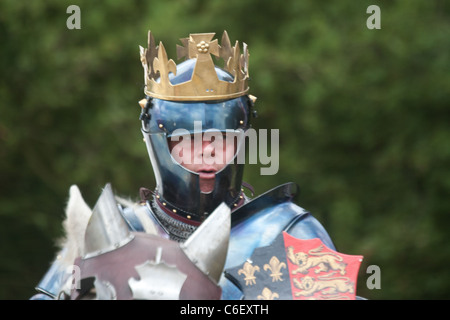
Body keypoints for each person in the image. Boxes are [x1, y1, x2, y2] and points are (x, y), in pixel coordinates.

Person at [32, 30, 361, 300]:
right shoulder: (113, 234)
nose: (208, 153)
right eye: (189, 139)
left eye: (222, 138)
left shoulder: (289, 232)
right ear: (159, 142)